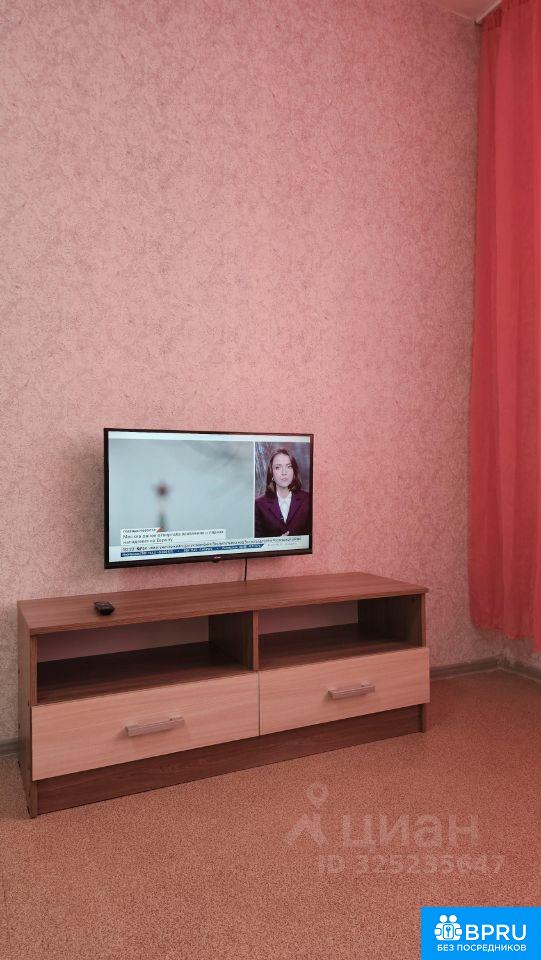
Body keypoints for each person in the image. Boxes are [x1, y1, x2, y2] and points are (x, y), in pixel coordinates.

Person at [254, 448, 311, 538]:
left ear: (294, 472)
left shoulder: (307, 499)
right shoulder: (258, 504)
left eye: (289, 466)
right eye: (278, 467)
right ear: (271, 473)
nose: (284, 472)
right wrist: (277, 543)